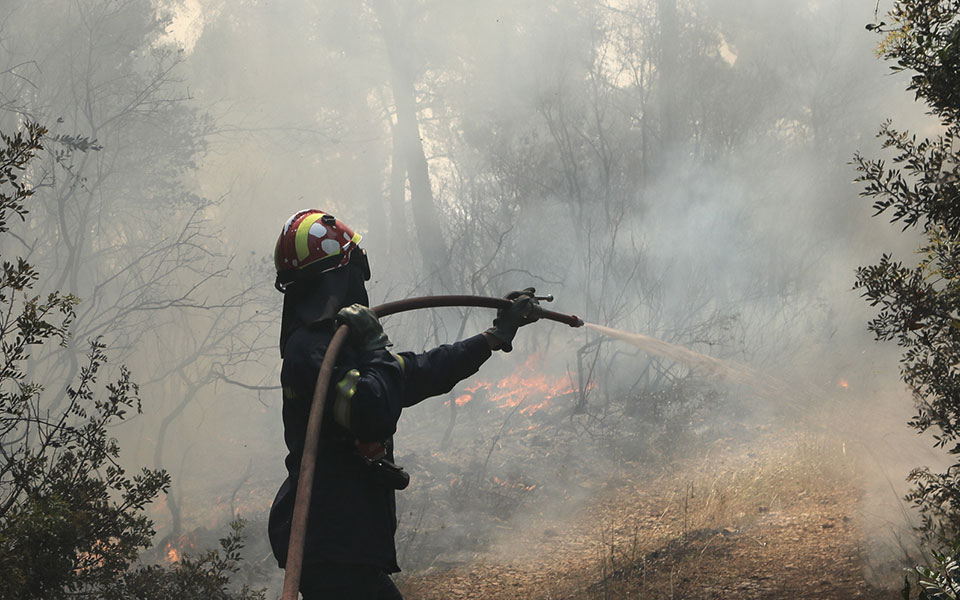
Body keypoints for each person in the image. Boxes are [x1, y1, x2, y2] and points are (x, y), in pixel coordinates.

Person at [267, 209, 539, 599]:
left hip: (344, 546)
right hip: (332, 546)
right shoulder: (311, 352)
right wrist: (377, 346)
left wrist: (494, 337)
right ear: (343, 273)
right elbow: (371, 410)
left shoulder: (337, 345)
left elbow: (416, 372)